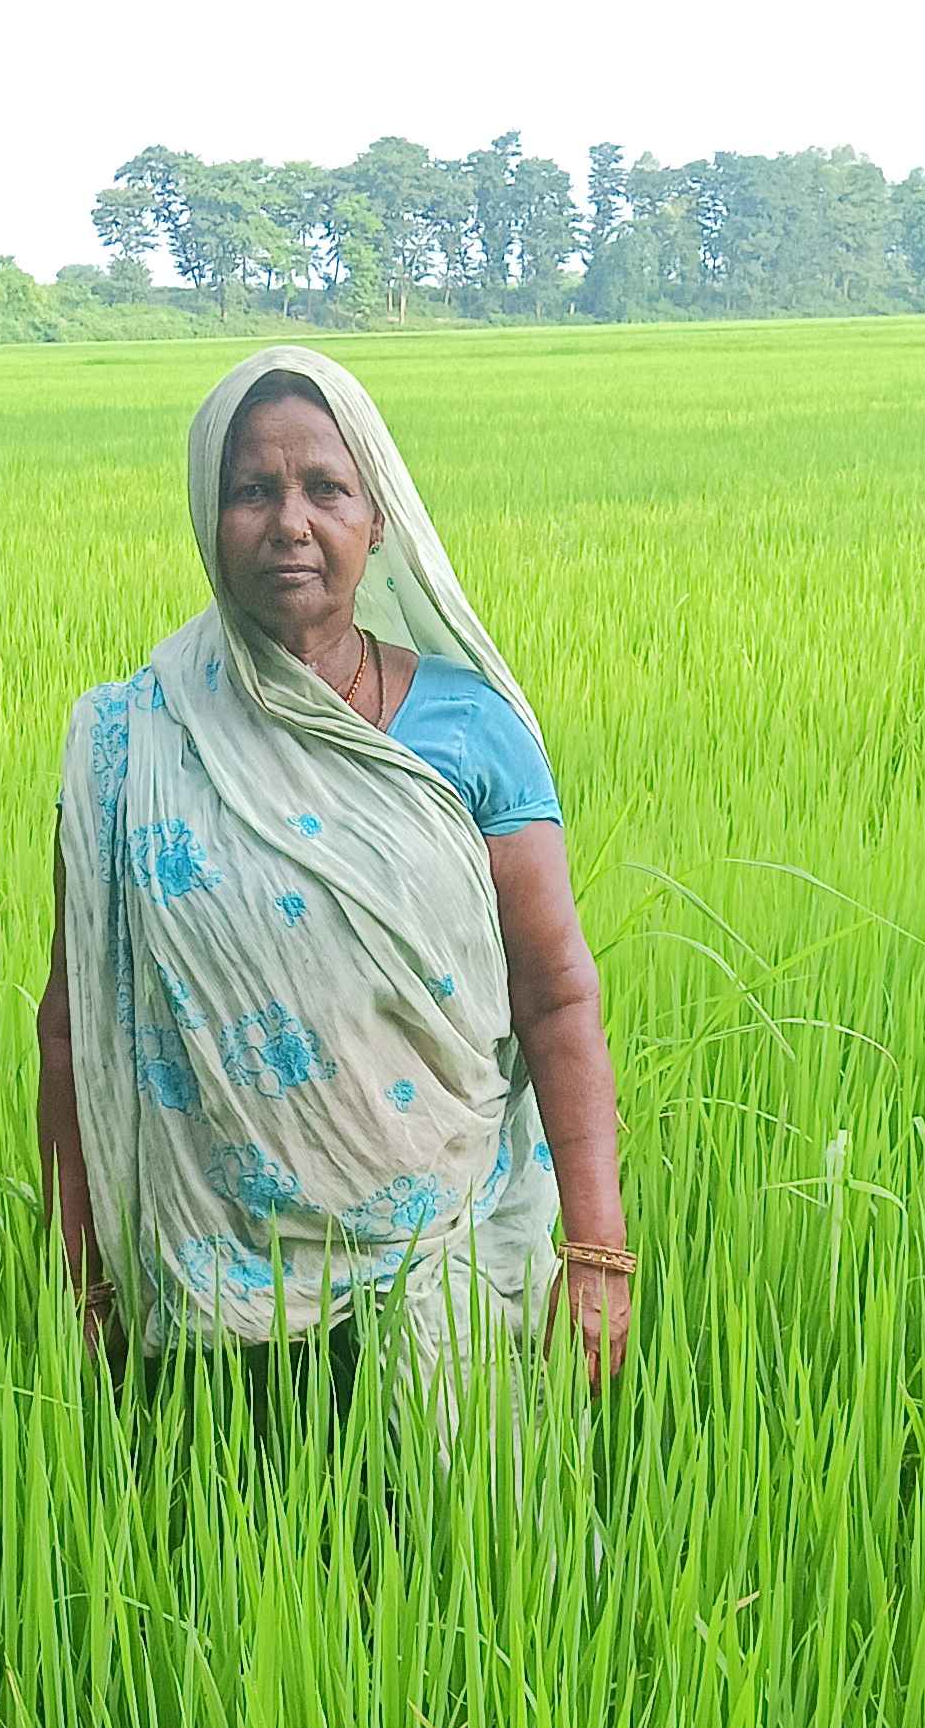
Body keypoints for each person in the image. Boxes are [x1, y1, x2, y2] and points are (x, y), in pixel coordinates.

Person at [34, 344, 634, 1465]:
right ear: (208, 515)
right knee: (229, 1547)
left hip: (445, 1253)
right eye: (251, 491)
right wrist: (80, 1272)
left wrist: (598, 1252)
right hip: (208, 1289)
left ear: (378, 518)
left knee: (483, 1546)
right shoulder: (133, 743)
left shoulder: (471, 728)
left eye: (326, 488)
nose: (290, 523)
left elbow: (556, 997)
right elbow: (73, 1028)